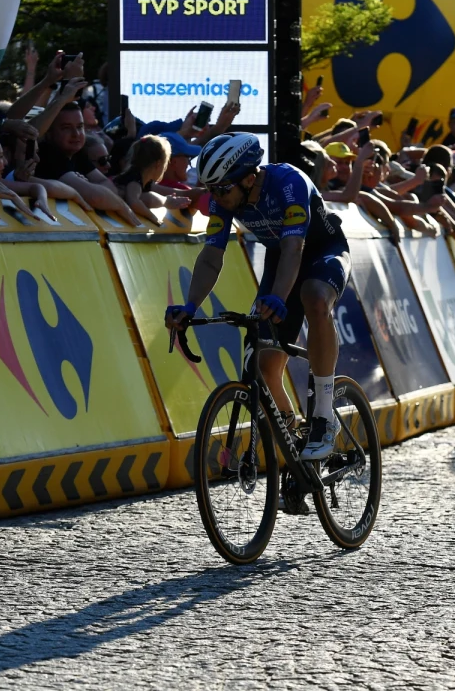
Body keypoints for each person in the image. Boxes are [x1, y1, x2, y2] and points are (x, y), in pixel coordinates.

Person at [164, 133, 351, 460]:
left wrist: (279, 296)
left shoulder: (288, 183)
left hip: (322, 251)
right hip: (281, 258)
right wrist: (190, 306)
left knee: (315, 296)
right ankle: (295, 449)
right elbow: (211, 257)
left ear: (249, 178)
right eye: (211, 190)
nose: (216, 198)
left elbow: (295, 248)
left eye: (221, 190)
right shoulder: (226, 198)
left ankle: (323, 415)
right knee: (263, 366)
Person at [112, 135, 189, 225]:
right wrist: (152, 217)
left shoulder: (145, 180)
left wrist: (168, 200)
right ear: (158, 164)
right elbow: (134, 202)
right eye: (166, 163)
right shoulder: (135, 179)